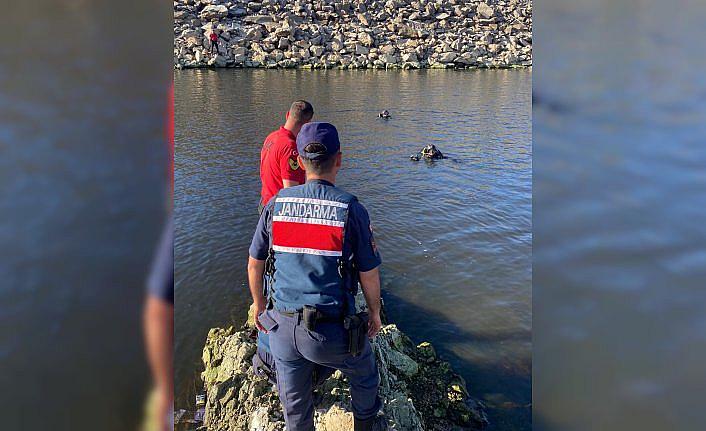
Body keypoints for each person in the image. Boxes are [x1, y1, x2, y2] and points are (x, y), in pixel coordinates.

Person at [248, 122, 387, 431]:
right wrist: (374, 313)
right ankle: (365, 425)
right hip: (331, 334)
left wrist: (259, 305)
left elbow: (255, 263)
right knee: (364, 374)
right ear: (339, 159)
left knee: (295, 409)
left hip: (282, 331)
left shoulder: (275, 204)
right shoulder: (351, 209)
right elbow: (368, 271)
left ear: (298, 159)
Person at [258, 100, 314, 214]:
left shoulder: (271, 137)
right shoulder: (290, 148)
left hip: (265, 203)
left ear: (287, 114)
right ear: (307, 124)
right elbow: (290, 192)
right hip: (278, 210)